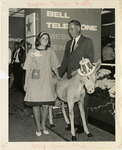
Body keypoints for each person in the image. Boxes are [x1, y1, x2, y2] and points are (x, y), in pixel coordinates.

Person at [58, 20, 94, 133]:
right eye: (68, 29)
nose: (69, 31)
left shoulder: (87, 41)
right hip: (70, 79)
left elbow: (89, 60)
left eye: (71, 29)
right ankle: (73, 123)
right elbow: (65, 62)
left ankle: (82, 125)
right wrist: (57, 76)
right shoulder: (69, 44)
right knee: (71, 101)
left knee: (82, 102)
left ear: (78, 28)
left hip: (81, 78)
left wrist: (78, 72)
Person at [23, 32, 60, 136]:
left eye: (47, 38)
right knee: (35, 105)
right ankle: (38, 127)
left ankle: (44, 125)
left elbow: (54, 66)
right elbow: (27, 69)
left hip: (47, 81)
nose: (45, 40)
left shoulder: (50, 51)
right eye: (43, 38)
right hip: (34, 82)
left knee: (45, 105)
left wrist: (58, 77)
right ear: (39, 39)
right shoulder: (31, 52)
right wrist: (26, 83)